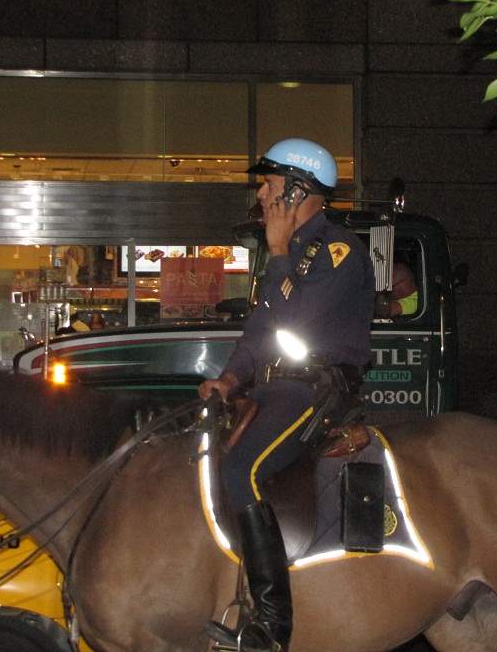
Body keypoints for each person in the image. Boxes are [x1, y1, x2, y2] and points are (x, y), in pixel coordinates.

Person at [199, 137, 375, 652]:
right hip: (279, 386)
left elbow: (295, 320)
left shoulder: (339, 250)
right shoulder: (287, 254)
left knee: (240, 469)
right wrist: (229, 381)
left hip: (318, 388)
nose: (261, 192)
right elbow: (262, 330)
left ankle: (272, 627)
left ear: (298, 192)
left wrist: (277, 252)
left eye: (270, 183)